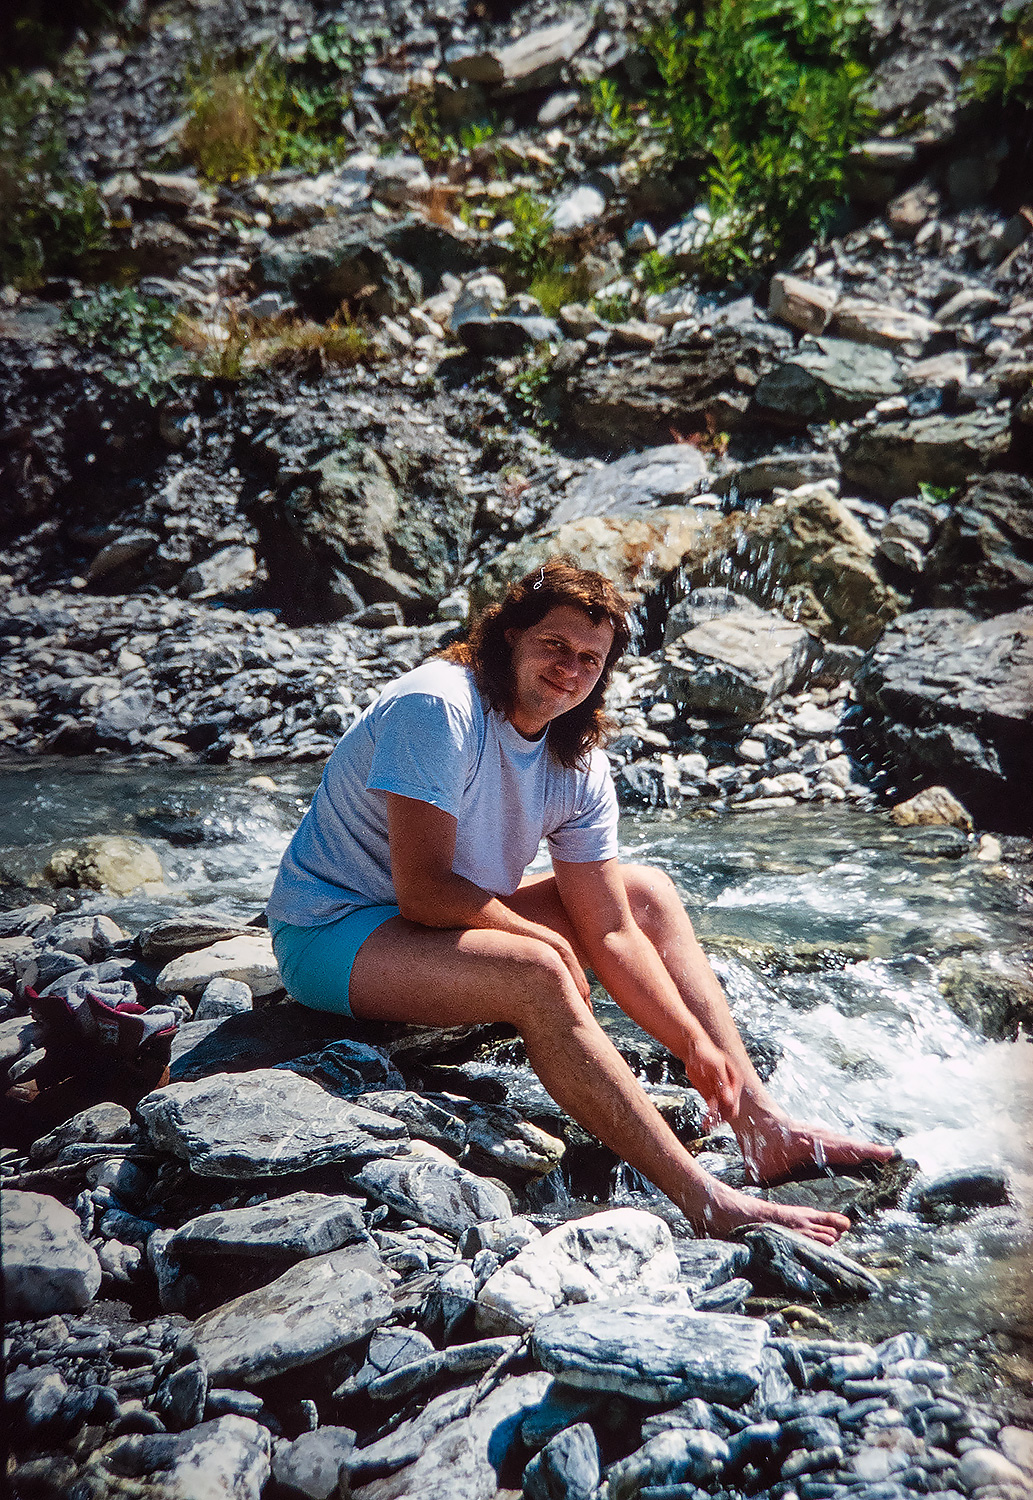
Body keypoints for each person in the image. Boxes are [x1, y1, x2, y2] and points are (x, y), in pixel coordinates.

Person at [267, 560, 894, 1243]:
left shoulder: (577, 760)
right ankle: (704, 1198)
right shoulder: (439, 706)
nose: (570, 668)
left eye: (590, 659)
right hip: (333, 932)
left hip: (427, 929)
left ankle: (761, 1126)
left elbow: (615, 931)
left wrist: (691, 1041)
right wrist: (544, 942)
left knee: (646, 893)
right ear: (507, 637)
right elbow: (423, 890)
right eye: (554, 646)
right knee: (538, 974)